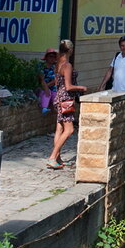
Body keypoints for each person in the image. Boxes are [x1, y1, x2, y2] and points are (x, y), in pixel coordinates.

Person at [48, 39, 87, 169]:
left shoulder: (58, 64)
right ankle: (52, 157)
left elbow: (57, 83)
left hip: (58, 98)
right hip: (66, 100)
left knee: (59, 129)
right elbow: (69, 86)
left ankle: (57, 158)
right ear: (70, 50)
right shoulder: (67, 65)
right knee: (69, 130)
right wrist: (81, 87)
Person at [38, 49, 57, 113]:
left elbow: (56, 79)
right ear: (46, 57)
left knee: (55, 94)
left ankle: (56, 109)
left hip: (52, 86)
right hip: (42, 85)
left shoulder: (55, 67)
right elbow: (41, 78)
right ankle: (44, 108)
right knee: (46, 92)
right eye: (50, 56)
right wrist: (46, 87)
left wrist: (47, 86)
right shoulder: (41, 66)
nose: (52, 58)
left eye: (54, 57)